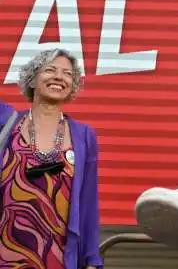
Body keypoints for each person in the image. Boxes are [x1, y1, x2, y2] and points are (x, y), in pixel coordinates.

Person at [0, 48, 102, 269]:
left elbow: (88, 203)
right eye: (50, 70)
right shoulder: (6, 122)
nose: (59, 77)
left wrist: (92, 260)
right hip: (5, 254)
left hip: (57, 257)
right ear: (32, 79)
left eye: (67, 74)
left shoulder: (84, 136)